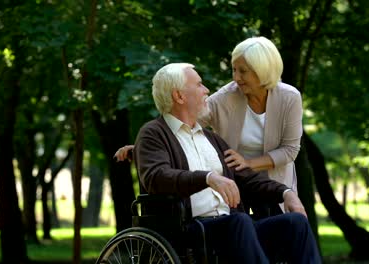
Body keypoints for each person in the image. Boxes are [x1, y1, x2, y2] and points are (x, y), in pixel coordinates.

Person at [134, 62, 320, 264]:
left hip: (233, 226)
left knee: (296, 223)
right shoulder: (153, 134)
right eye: (199, 85)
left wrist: (286, 193)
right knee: (240, 221)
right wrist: (208, 178)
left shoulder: (212, 139)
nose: (206, 90)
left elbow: (248, 180)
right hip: (190, 229)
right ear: (179, 96)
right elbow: (157, 177)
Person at [115, 36, 304, 218]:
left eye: (243, 71)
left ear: (261, 70)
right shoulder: (223, 99)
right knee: (244, 227)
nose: (236, 77)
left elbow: (290, 150)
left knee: (289, 228)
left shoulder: (289, 98)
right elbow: (181, 125)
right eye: (234, 70)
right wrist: (145, 147)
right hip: (234, 182)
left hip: (273, 178)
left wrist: (248, 164)